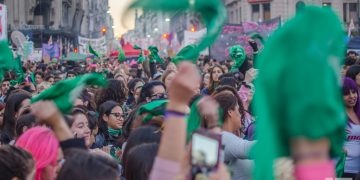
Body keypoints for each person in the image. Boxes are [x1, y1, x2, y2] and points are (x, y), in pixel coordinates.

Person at [213, 91, 255, 180]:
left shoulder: (226, 137)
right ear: (230, 112)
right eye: (238, 109)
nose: (240, 114)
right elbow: (250, 148)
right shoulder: (223, 137)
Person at [342, 78, 360, 178]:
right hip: (340, 170)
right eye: (346, 93)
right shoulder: (334, 117)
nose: (352, 96)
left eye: (354, 92)